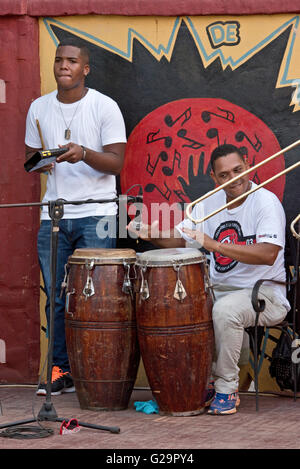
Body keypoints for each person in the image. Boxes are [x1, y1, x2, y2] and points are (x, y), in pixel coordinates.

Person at [128, 143, 290, 415]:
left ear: (248, 165)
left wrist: (215, 246)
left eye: (238, 170)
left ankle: (226, 388)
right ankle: (191, 385)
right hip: (220, 290)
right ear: (214, 178)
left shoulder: (266, 202)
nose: (233, 179)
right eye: (224, 175)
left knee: (225, 311)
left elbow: (268, 253)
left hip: (266, 294)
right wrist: (148, 232)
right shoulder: (209, 203)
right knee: (179, 306)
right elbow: (181, 239)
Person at [25, 38, 127, 395]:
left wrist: (82, 153)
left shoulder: (105, 106)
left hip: (97, 213)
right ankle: (59, 373)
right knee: (55, 297)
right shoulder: (38, 108)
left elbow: (116, 162)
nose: (63, 66)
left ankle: (95, 373)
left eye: (71, 61)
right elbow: (32, 161)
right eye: (58, 60)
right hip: (53, 216)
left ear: (85, 69)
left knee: (95, 298)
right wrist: (45, 159)